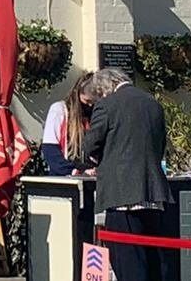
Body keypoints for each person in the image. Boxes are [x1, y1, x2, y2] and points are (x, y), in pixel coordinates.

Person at [82, 67, 174, 281]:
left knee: (128, 262)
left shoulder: (107, 105)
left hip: (122, 194)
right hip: (154, 193)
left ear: (105, 89)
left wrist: (97, 161)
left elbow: (90, 146)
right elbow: (159, 146)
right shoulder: (152, 102)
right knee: (154, 260)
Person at [42, 72, 97, 176]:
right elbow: (50, 150)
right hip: (65, 177)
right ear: (77, 93)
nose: (90, 105)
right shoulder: (59, 110)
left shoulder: (96, 113)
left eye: (94, 102)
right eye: (87, 101)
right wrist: (73, 171)